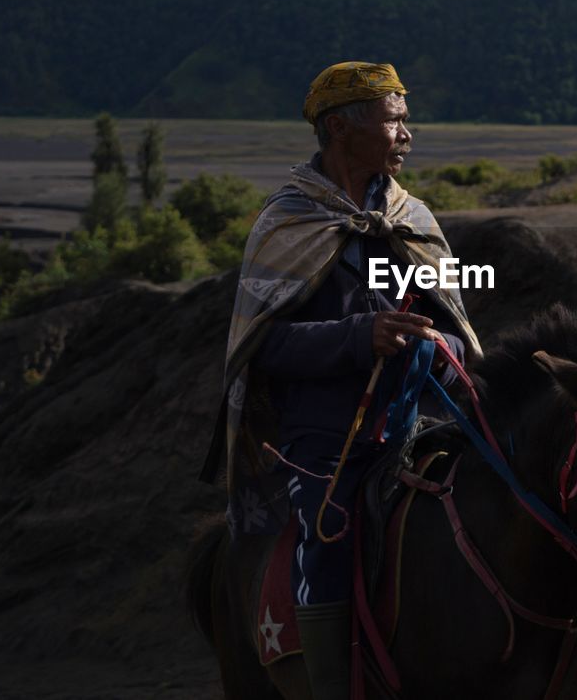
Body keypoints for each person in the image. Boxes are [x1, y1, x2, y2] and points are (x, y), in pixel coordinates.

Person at [200, 61, 482, 699]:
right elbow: (261, 345)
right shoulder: (288, 224)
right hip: (324, 441)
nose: (406, 135)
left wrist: (438, 347)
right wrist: (361, 338)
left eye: (406, 120)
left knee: (528, 491)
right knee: (327, 539)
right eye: (393, 121)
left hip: (423, 426)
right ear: (339, 128)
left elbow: (454, 325)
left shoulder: (413, 221)